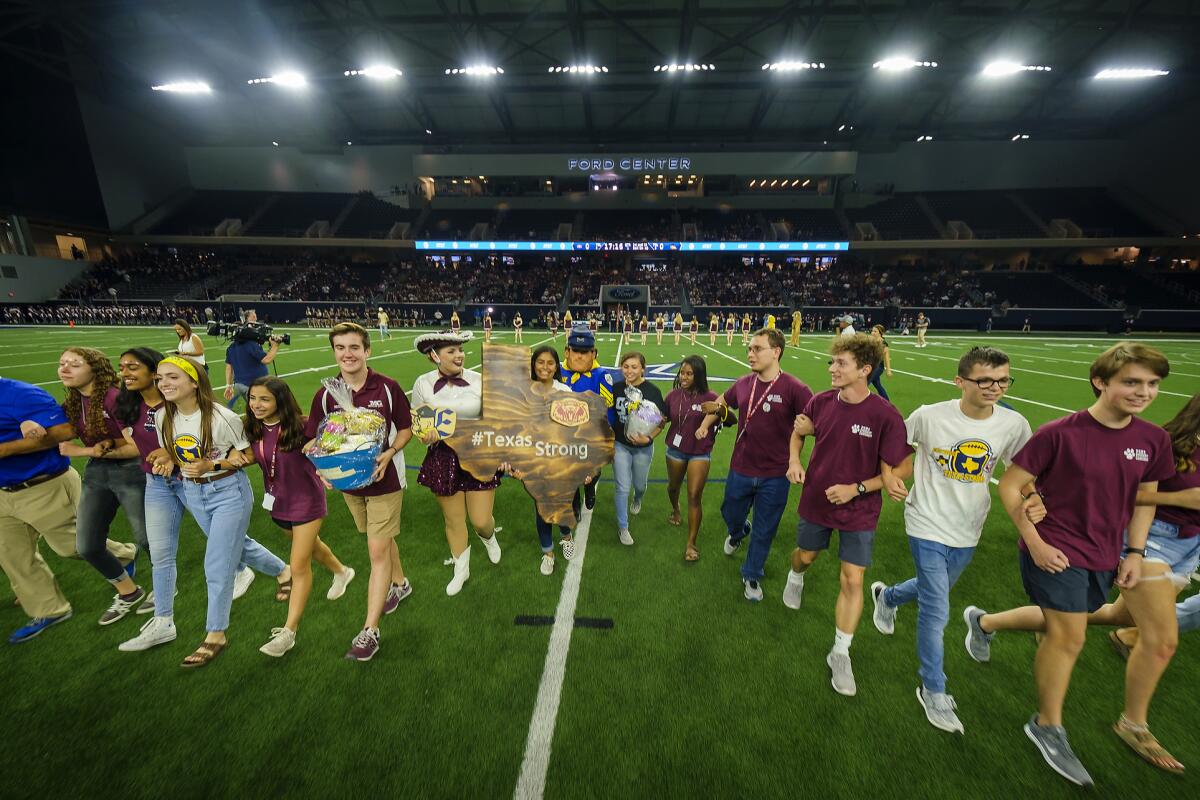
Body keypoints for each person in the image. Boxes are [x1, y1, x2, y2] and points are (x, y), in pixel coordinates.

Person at [962, 343, 1176, 786]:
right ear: (1102, 382)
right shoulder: (1060, 433)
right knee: (1069, 635)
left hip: (1105, 553)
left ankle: (983, 622)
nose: (1144, 392)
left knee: (1070, 621)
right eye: (1132, 382)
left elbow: (1142, 501)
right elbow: (1012, 486)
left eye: (1152, 384)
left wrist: (1133, 553)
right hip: (1054, 548)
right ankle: (1047, 726)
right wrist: (1035, 542)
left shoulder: (1153, 440)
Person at [869, 347, 1034, 733]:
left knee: (933, 592)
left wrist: (1033, 497)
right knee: (937, 608)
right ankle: (933, 689)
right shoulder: (930, 416)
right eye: (985, 380)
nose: (995, 388)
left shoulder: (1013, 425)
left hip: (969, 525)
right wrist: (888, 473)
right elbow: (893, 445)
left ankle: (887, 597)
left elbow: (1022, 472)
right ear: (960, 381)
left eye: (1003, 381)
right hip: (925, 519)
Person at [139, 356, 289, 667]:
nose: (164, 383)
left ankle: (215, 634)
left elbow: (248, 455)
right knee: (238, 544)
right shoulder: (164, 418)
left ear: (194, 382)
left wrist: (213, 464)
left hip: (227, 491)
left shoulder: (222, 417)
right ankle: (283, 571)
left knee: (217, 563)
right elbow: (177, 452)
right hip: (193, 492)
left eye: (173, 377)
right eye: (160, 378)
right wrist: (169, 459)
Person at [783, 333, 911, 697]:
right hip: (817, 501)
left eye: (841, 363)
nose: (832, 368)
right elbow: (797, 433)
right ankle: (796, 575)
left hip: (860, 508)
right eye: (833, 362)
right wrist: (794, 460)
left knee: (853, 580)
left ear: (865, 370)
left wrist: (856, 488)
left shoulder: (885, 414)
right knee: (806, 556)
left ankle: (840, 652)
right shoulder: (820, 401)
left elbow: (902, 468)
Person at [305, 322, 413, 662]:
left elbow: (407, 429)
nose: (348, 354)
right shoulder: (326, 395)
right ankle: (401, 584)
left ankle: (370, 631)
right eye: (341, 348)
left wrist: (390, 452)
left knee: (376, 550)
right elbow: (314, 439)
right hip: (349, 484)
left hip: (385, 479)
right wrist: (321, 467)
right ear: (334, 352)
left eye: (354, 347)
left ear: (367, 350)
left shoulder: (388, 388)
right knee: (378, 537)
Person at [0, 379, 136, 643]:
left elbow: (64, 431)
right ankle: (49, 609)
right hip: (3, 491)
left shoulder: (20, 393)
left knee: (72, 545)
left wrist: (5, 449)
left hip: (43, 483)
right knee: (12, 555)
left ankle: (124, 555)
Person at [696, 328, 813, 601]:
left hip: (776, 474)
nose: (750, 353)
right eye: (749, 348)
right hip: (741, 467)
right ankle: (738, 532)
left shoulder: (796, 388)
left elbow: (815, 422)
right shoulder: (744, 383)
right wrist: (704, 424)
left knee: (765, 528)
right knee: (731, 512)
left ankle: (751, 574)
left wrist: (809, 428)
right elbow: (721, 403)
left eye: (757, 348)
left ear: (776, 352)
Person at [247, 377, 355, 657]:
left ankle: (288, 632)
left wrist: (325, 463)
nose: (257, 405)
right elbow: (251, 454)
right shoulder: (252, 427)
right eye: (253, 398)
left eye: (264, 399)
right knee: (311, 547)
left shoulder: (303, 425)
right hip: (277, 503)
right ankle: (342, 572)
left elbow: (337, 436)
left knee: (298, 566)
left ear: (280, 401)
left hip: (307, 501)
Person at [57, 347, 150, 625]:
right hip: (98, 473)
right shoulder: (75, 401)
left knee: (147, 539)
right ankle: (128, 592)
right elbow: (65, 433)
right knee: (86, 545)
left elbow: (135, 447)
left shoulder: (114, 398)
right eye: (62, 363)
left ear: (94, 368)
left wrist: (84, 452)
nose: (65, 368)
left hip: (131, 471)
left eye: (74, 363)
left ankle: (166, 588)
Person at [1107, 392, 1200, 657]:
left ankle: (1049, 620)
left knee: (1121, 616)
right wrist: (1178, 498)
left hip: (1191, 546)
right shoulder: (1166, 443)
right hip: (1153, 538)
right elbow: (1119, 491)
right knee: (1161, 640)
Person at [411, 330, 502, 596]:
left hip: (478, 452)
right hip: (443, 456)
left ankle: (489, 536)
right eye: (451, 351)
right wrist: (425, 435)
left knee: (481, 519)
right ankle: (461, 570)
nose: (459, 355)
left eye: (460, 350)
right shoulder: (422, 383)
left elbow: (496, 420)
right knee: (453, 520)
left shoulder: (479, 380)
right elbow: (421, 425)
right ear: (434, 355)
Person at [506, 346, 579, 575]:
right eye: (540, 362)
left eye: (550, 363)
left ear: (557, 366)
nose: (545, 367)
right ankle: (547, 553)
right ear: (533, 364)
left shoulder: (564, 390)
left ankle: (566, 536)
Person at [665, 356, 718, 561]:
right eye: (682, 373)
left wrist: (719, 409)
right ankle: (676, 509)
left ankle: (691, 543)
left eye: (689, 373)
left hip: (700, 452)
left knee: (694, 495)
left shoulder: (711, 396)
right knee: (673, 487)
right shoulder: (672, 396)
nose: (684, 377)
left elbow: (729, 418)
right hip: (676, 450)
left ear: (699, 375)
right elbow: (662, 419)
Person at [610, 352, 665, 546]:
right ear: (621, 368)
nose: (629, 370)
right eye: (625, 366)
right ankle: (623, 527)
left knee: (639, 485)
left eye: (634, 367)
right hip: (620, 445)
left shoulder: (652, 391)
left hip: (643, 447)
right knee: (622, 486)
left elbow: (661, 421)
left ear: (643, 368)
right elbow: (608, 414)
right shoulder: (615, 388)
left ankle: (638, 498)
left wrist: (648, 437)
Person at [561, 324, 614, 513]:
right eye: (575, 351)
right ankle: (574, 501)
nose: (580, 356)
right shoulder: (557, 373)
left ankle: (590, 488)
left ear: (594, 353)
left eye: (585, 352)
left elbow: (606, 413)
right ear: (567, 351)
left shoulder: (601, 376)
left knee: (594, 471)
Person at [224, 330, 279, 412]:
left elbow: (229, 368)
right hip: (253, 385)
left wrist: (228, 385)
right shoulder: (250, 345)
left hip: (239, 385)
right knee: (263, 411)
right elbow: (267, 360)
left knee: (253, 410)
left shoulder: (231, 347)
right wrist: (275, 346)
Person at [868, 325, 894, 402]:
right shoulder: (871, 341)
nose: (872, 333)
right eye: (872, 331)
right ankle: (887, 402)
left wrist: (888, 370)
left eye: (875, 331)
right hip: (870, 366)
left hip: (878, 368)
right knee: (878, 386)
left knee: (864, 383)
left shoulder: (883, 344)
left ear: (880, 333)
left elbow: (886, 358)